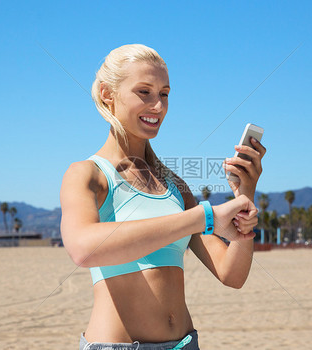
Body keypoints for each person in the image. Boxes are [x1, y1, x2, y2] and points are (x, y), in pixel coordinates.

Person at [60, 44, 266, 350]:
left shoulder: (174, 186)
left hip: (185, 344)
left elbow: (231, 273)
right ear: (107, 93)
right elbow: (84, 249)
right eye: (144, 92)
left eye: (164, 94)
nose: (158, 105)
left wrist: (244, 197)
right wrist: (202, 217)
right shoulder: (89, 174)